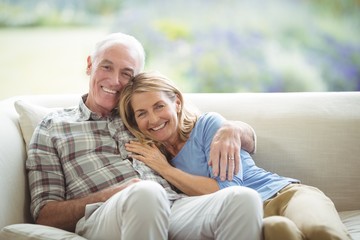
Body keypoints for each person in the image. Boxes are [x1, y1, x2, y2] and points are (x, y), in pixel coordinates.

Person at [26, 32, 262, 240]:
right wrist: (115, 193)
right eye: (106, 67)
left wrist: (233, 129)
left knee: (243, 199)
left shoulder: (144, 117)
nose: (116, 81)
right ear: (90, 65)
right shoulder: (53, 127)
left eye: (126, 74)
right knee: (146, 193)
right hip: (102, 217)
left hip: (174, 206)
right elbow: (45, 216)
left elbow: (194, 124)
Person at [119, 71, 351, 240]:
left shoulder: (209, 125)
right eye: (142, 113)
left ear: (177, 103)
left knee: (322, 232)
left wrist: (167, 170)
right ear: (135, 121)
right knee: (281, 231)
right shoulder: (152, 157)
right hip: (252, 219)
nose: (153, 119)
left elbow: (229, 190)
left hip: (284, 195)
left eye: (159, 106)